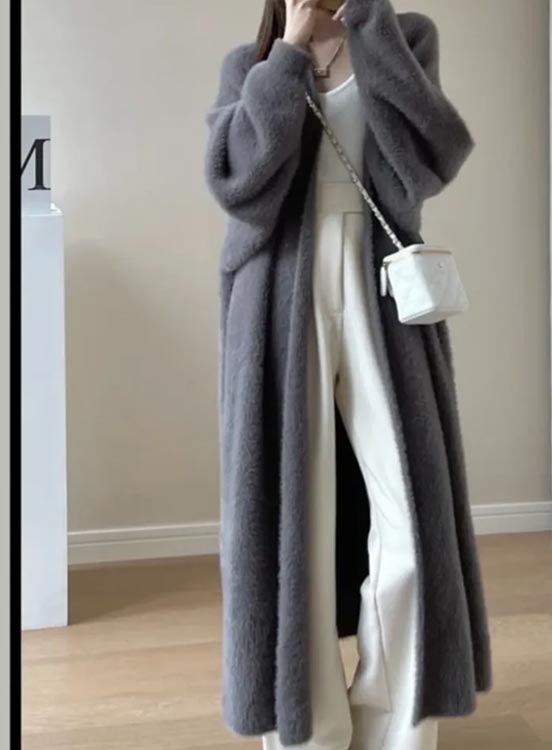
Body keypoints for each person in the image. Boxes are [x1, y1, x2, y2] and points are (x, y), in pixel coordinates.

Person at [203, 1, 492, 748]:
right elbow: (238, 184)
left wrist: (371, 28)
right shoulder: (251, 63)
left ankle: (394, 725)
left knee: (410, 519)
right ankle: (310, 733)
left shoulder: (404, 37)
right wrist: (289, 56)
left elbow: (434, 156)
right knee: (295, 521)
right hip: (279, 298)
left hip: (382, 289)